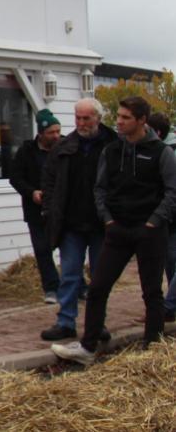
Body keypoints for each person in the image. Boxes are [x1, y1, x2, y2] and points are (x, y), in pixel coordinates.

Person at [52, 97, 176, 365]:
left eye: (125, 117)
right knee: (97, 288)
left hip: (150, 232)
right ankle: (88, 347)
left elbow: (172, 191)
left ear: (141, 120)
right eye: (118, 116)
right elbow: (100, 188)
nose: (118, 121)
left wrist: (154, 221)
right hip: (117, 230)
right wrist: (107, 219)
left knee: (152, 292)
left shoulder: (160, 152)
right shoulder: (111, 151)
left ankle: (152, 350)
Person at [39, 98, 115, 341]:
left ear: (98, 118)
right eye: (78, 118)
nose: (81, 123)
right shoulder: (64, 147)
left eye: (86, 118)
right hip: (71, 222)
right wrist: (50, 211)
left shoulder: (113, 145)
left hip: (102, 222)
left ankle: (96, 323)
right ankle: (65, 321)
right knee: (70, 273)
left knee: (100, 277)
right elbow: (49, 182)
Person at [10, 109, 63, 304]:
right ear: (41, 133)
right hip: (36, 208)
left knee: (68, 248)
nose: (56, 136)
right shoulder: (27, 151)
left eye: (58, 131)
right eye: (51, 132)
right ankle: (51, 288)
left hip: (62, 208)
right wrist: (31, 192)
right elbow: (15, 177)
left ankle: (77, 285)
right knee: (42, 249)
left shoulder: (65, 147)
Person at [137, 113, 176, 325]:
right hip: (164, 218)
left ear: (157, 132)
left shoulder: (167, 153)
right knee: (169, 262)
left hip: (166, 216)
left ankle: (168, 307)